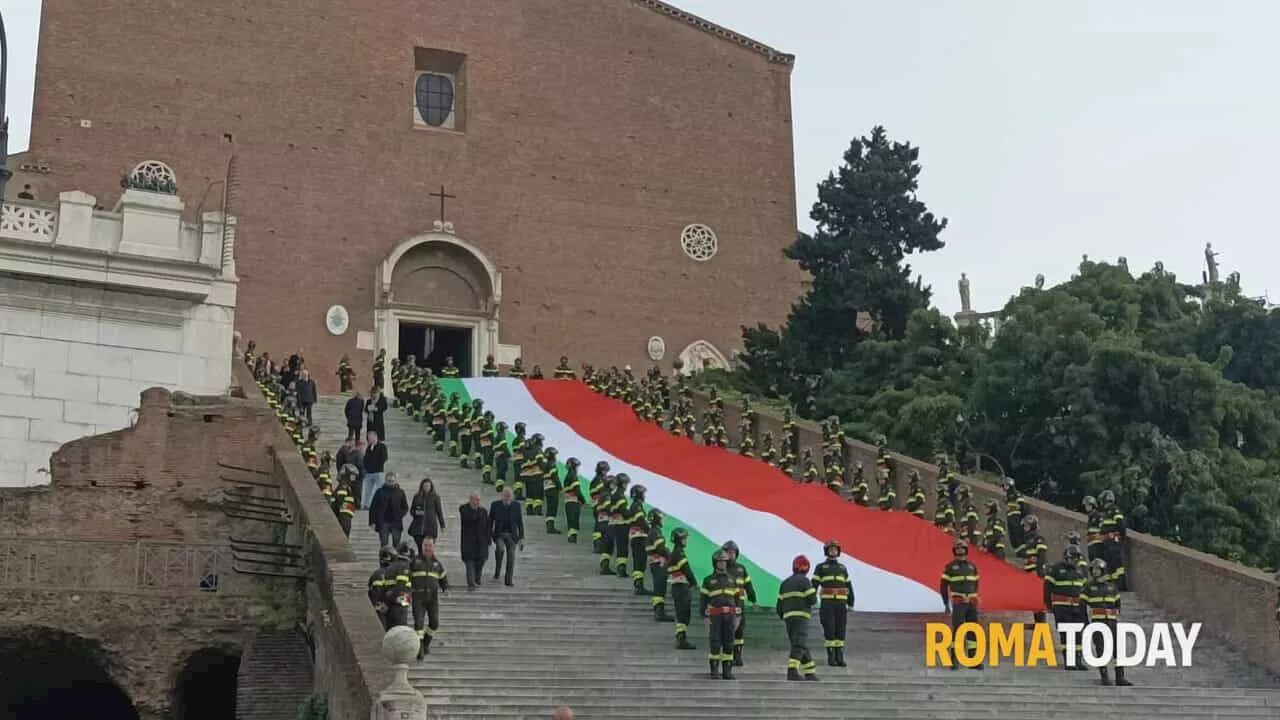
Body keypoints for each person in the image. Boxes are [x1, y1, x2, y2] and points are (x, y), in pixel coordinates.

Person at [1081, 558, 1133, 686]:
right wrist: (1086, 624)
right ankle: (1104, 676)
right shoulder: (1088, 587)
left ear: (1103, 571)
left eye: (1098, 569)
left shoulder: (1112, 587)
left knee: (1117, 649)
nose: (1096, 572)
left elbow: (1117, 605)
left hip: (1112, 622)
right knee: (1101, 649)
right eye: (1094, 569)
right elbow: (1082, 607)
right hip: (1097, 622)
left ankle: (1120, 677)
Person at [939, 538, 983, 670]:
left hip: (971, 603)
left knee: (973, 631)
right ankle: (954, 660)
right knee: (958, 631)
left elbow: (976, 584)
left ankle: (973, 660)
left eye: (962, 548)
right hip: (959, 603)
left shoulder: (972, 567)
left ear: (966, 550)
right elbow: (943, 586)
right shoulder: (950, 567)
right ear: (954, 551)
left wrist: (974, 598)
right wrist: (946, 602)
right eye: (958, 548)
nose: (960, 550)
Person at [1044, 544, 1088, 671]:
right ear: (1066, 557)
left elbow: (1083, 589)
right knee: (1066, 634)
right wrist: (1048, 605)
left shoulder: (1079, 571)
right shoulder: (1055, 569)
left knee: (1078, 634)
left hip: (1077, 607)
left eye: (1076, 558)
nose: (1074, 560)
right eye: (1072, 557)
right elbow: (1047, 588)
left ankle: (1078, 660)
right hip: (1062, 607)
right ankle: (1069, 661)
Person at [699, 550, 741, 680]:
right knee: (715, 642)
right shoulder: (708, 580)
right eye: (720, 562)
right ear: (715, 563)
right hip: (715, 616)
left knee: (729, 643)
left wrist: (739, 617)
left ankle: (727, 671)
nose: (722, 564)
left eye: (724, 561)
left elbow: (738, 599)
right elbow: (703, 600)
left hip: (730, 616)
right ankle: (714, 671)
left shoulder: (733, 580)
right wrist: (704, 617)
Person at [777, 554, 819, 681]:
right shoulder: (805, 581)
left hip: (788, 618)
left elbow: (779, 605)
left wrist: (784, 616)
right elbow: (812, 600)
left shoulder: (785, 583)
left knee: (799, 643)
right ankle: (792, 670)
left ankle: (810, 672)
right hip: (801, 617)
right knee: (799, 643)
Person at [813, 539, 853, 667]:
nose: (833, 551)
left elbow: (849, 586)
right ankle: (831, 657)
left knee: (840, 630)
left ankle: (839, 657)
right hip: (827, 603)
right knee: (829, 629)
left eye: (835, 549)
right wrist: (811, 600)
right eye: (830, 549)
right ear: (826, 551)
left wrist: (851, 602)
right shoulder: (820, 567)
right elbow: (813, 585)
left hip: (841, 603)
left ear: (838, 552)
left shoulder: (843, 568)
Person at [410, 538, 449, 659]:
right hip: (418, 597)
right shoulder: (415, 561)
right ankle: (419, 648)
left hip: (432, 598)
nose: (427, 548)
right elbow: (407, 576)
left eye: (430, 546)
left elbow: (443, 577)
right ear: (422, 547)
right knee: (419, 624)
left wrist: (445, 588)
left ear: (433, 547)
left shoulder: (437, 564)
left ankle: (426, 643)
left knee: (435, 623)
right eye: (425, 545)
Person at [720, 540, 757, 666]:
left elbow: (748, 586)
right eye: (728, 552)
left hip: (739, 604)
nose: (731, 555)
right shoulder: (721, 568)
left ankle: (738, 656)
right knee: (728, 631)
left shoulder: (742, 569)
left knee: (740, 631)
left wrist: (753, 599)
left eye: (733, 552)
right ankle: (728, 657)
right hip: (726, 604)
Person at [1016, 514, 1049, 623]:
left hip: (1036, 573)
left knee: (1038, 599)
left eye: (1026, 525)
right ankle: (1037, 623)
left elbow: (1042, 557)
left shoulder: (1038, 539)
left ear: (1032, 525)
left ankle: (1041, 623)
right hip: (1029, 572)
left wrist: (1037, 571)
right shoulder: (1028, 540)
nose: (1024, 528)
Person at [667, 528, 696, 650]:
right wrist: (693, 583)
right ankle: (681, 639)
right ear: (679, 539)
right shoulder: (679, 553)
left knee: (682, 613)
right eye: (684, 538)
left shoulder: (675, 552)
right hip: (681, 586)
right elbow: (686, 569)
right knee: (684, 613)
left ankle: (681, 637)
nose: (686, 541)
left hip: (677, 586)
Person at [489, 488, 524, 586]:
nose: (507, 497)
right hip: (499, 534)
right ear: (502, 496)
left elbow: (519, 522)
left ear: (512, 496)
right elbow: (490, 521)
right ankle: (498, 569)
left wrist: (521, 538)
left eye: (509, 495)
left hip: (512, 535)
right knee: (500, 549)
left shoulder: (516, 506)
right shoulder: (495, 505)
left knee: (511, 557)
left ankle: (508, 580)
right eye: (505, 495)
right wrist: (490, 534)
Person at [459, 493, 491, 590]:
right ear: (470, 500)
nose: (477, 502)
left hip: (481, 542)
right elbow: (469, 519)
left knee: (481, 561)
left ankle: (477, 579)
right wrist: (477, 511)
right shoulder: (464, 509)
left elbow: (488, 526)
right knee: (469, 562)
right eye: (475, 500)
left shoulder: (483, 511)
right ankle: (471, 583)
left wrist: (488, 539)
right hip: (468, 541)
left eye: (478, 500)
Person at [645, 508, 672, 621]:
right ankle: (659, 613)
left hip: (654, 563)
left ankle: (658, 611)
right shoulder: (656, 532)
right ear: (657, 519)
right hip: (659, 563)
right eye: (661, 518)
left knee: (658, 588)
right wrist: (670, 556)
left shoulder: (652, 531)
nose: (662, 520)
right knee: (660, 588)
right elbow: (660, 548)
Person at [1098, 489, 1128, 591]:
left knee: (1117, 566)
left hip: (1114, 542)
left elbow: (1121, 526)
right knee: (1110, 565)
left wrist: (1122, 539)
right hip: (1107, 543)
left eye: (1102, 501)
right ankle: (1112, 586)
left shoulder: (1115, 510)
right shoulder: (1105, 514)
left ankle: (1121, 586)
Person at [370, 473, 409, 549]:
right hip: (383, 521)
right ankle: (383, 558)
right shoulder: (379, 492)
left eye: (392, 481)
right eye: (389, 481)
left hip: (396, 522)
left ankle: (396, 559)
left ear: (395, 481)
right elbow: (373, 507)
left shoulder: (400, 492)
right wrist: (372, 522)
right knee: (384, 544)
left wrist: (400, 514)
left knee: (396, 544)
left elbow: (405, 507)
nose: (390, 482)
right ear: (385, 481)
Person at [408, 478, 446, 555]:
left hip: (430, 526)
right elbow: (412, 511)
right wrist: (418, 512)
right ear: (422, 486)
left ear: (431, 487)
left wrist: (442, 525)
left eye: (428, 486)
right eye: (425, 486)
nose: (426, 488)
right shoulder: (417, 496)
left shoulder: (435, 497)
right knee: (420, 549)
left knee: (429, 548)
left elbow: (439, 511)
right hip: (418, 527)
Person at [361, 430, 389, 510]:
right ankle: (366, 505)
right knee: (367, 490)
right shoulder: (369, 447)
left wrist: (377, 464)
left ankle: (380, 505)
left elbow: (384, 458)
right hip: (369, 473)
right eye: (368, 438)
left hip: (378, 472)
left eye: (371, 437)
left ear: (375, 436)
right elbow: (365, 458)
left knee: (379, 490)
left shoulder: (382, 446)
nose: (369, 439)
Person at [562, 458, 585, 543]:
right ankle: (572, 537)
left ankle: (571, 536)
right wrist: (583, 500)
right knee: (574, 520)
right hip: (574, 502)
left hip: (568, 501)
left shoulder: (567, 476)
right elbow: (577, 490)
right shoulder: (573, 476)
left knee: (570, 520)